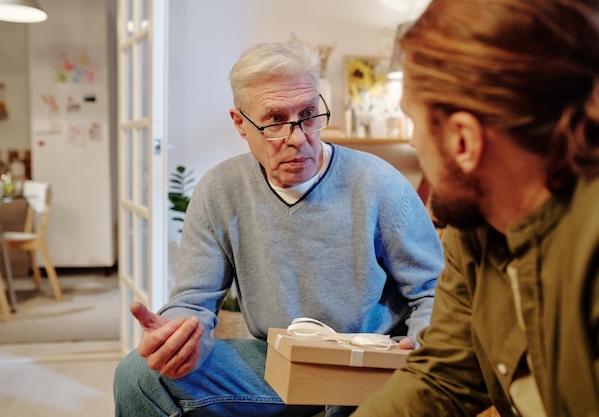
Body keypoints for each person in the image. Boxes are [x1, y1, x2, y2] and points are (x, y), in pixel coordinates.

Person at [113, 41, 444, 417]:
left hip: (368, 363)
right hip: (276, 365)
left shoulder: (379, 183)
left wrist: (419, 349)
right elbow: (193, 301)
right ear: (241, 124)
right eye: (274, 120)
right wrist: (179, 337)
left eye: (308, 114)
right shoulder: (219, 190)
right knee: (137, 375)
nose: (299, 137)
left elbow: (435, 292)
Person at [352, 0, 599, 416]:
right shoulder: (477, 221)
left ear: (462, 141)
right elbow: (442, 377)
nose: (413, 142)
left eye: (414, 121)